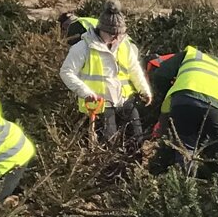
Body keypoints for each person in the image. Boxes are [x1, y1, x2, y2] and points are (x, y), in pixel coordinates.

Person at [60, 8, 151, 154]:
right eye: (112, 34)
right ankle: (110, 174)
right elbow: (66, 72)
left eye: (119, 34)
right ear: (102, 30)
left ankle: (133, 172)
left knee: (136, 140)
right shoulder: (83, 47)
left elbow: (135, 69)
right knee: (108, 147)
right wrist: (86, 93)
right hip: (100, 105)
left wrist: (144, 90)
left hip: (125, 100)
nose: (116, 38)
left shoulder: (124, 45)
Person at [154, 46, 218, 170]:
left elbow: (160, 74)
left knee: (185, 146)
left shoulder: (190, 54)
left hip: (183, 101)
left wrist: (166, 91)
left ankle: (184, 182)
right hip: (217, 105)